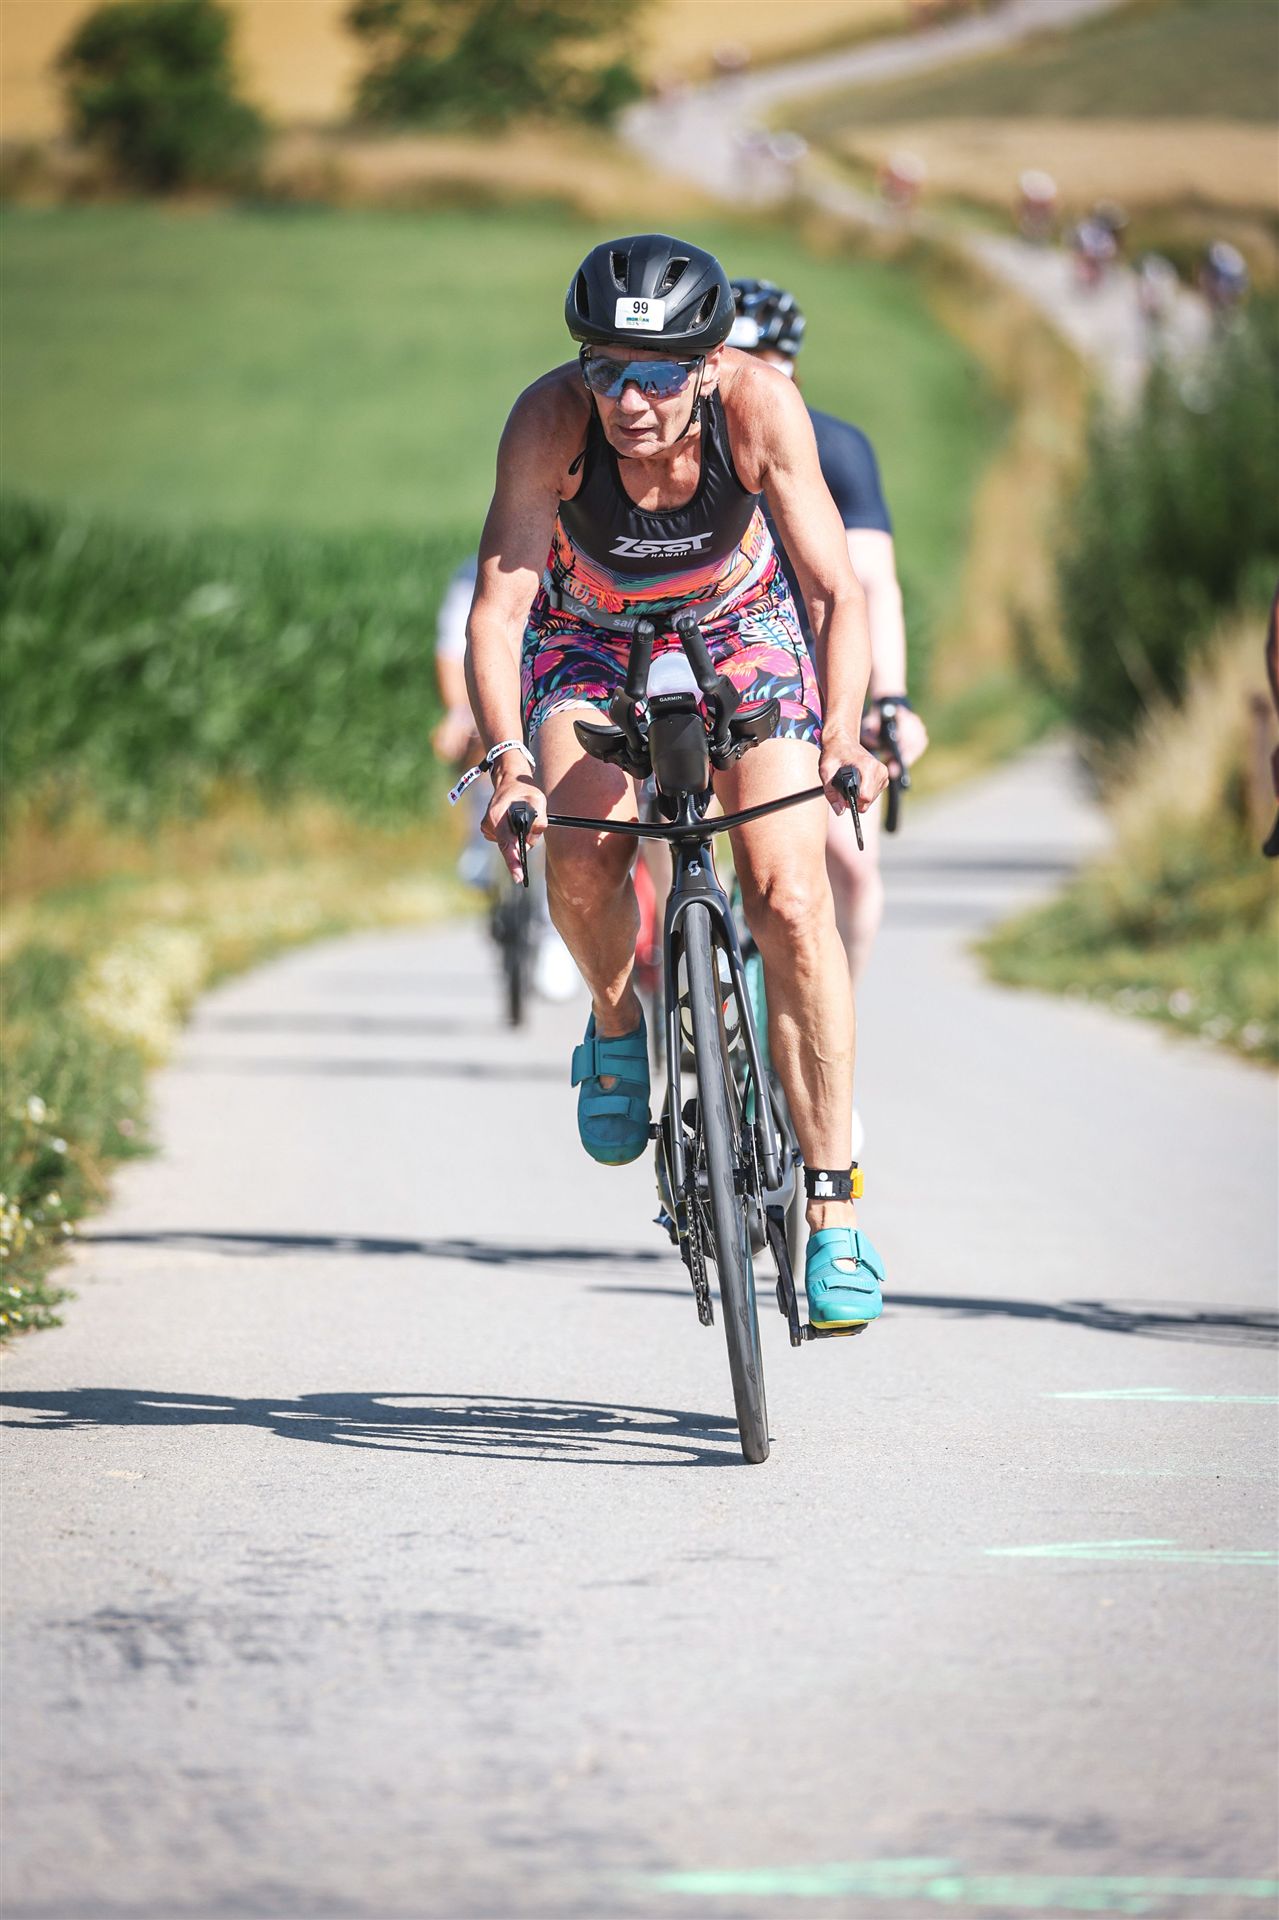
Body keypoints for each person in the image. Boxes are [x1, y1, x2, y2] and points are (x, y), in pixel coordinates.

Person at [464, 233, 889, 1330]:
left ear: (706, 367)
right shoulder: (550, 421)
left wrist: (844, 735)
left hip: (740, 624)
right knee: (581, 854)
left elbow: (834, 593)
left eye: (656, 375)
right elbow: (500, 613)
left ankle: (833, 1208)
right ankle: (616, 1021)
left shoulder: (757, 408)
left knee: (789, 896)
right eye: (606, 370)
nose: (629, 401)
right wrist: (509, 762)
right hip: (586, 632)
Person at [727, 278, 928, 1036]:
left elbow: (871, 583)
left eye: (765, 361)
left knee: (853, 875)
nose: (749, 376)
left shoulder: (834, 448)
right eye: (732, 358)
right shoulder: (687, 448)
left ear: (792, 365)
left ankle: (827, 1035)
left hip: (817, 682)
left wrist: (891, 700)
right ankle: (671, 987)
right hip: (718, 670)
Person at [433, 554, 579, 1001]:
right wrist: (457, 714)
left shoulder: (568, 563)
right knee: (478, 740)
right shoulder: (469, 576)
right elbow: (453, 651)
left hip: (552, 689)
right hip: (496, 694)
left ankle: (554, 930)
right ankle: (480, 843)